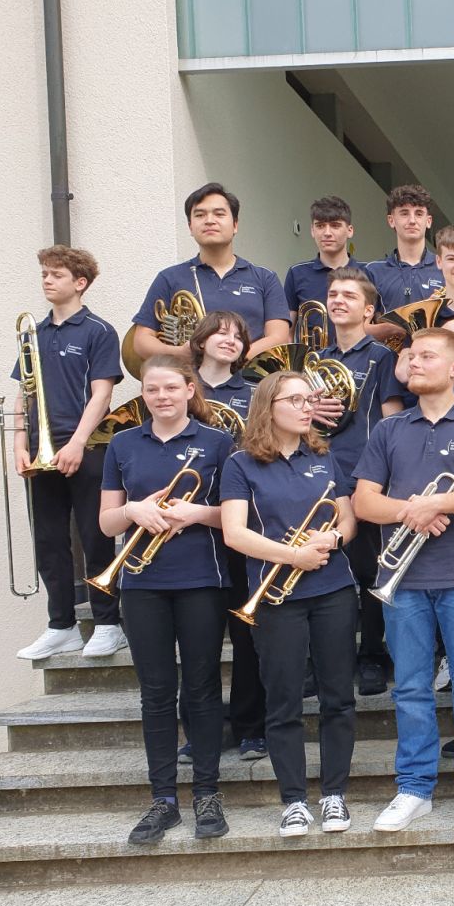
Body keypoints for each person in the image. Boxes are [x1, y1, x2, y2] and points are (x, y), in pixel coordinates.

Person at [352, 328, 454, 832]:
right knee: (412, 687)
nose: (413, 364)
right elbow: (363, 502)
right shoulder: (388, 430)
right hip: (400, 580)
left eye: (426, 356)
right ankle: (414, 787)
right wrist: (411, 511)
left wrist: (437, 502)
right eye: (410, 357)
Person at [100, 355, 235, 844]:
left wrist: (197, 512)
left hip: (201, 579)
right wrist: (135, 510)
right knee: (155, 692)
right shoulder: (122, 444)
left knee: (200, 687)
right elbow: (106, 522)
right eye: (152, 389)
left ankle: (206, 794)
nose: (162, 397)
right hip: (141, 583)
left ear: (189, 389)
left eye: (171, 388)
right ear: (144, 394)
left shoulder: (218, 443)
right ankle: (163, 799)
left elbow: (235, 516)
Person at [220, 371, 360, 837]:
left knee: (338, 697)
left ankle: (335, 794)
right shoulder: (241, 464)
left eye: (309, 399)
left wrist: (335, 536)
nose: (306, 407)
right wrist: (294, 555)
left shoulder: (324, 456)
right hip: (277, 597)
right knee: (283, 701)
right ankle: (295, 800)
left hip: (333, 591)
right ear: (268, 406)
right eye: (295, 399)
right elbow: (235, 534)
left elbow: (348, 519)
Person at [13, 245, 126, 661]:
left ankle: (108, 624)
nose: (46, 280)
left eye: (56, 274)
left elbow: (102, 393)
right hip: (43, 449)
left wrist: (78, 441)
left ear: (80, 283)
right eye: (44, 273)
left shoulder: (98, 331)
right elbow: (24, 390)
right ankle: (60, 625)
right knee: (48, 539)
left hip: (89, 446)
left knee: (95, 537)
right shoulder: (34, 333)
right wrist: (20, 444)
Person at [315, 267, 405, 695]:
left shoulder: (382, 357)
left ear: (368, 309)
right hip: (316, 477)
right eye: (333, 294)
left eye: (349, 295)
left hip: (363, 477)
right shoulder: (314, 359)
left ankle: (372, 655)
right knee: (321, 568)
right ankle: (324, 661)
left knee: (370, 571)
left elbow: (390, 419)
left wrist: (386, 478)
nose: (338, 300)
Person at [188, 311, 264, 759]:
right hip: (187, 532)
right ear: (199, 340)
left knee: (247, 634)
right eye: (220, 332)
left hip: (240, 522)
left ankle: (250, 725)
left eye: (238, 336)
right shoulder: (175, 387)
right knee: (197, 642)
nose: (229, 340)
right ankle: (200, 730)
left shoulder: (253, 393)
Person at [133, 183, 291, 365]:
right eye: (200, 215)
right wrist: (178, 353)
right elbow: (141, 340)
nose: (209, 220)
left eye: (219, 214)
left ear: (235, 225)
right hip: (189, 384)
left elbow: (279, 336)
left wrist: (233, 359)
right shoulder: (169, 278)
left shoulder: (265, 278)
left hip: (248, 382)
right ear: (190, 227)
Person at [365, 184, 445, 310]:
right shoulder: (373, 271)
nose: (412, 220)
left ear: (428, 221)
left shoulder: (445, 268)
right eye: (404, 213)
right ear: (391, 220)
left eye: (419, 214)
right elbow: (364, 323)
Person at [283, 196, 363, 313]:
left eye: (335, 226)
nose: (327, 233)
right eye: (320, 226)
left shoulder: (369, 272)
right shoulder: (297, 273)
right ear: (312, 230)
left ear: (349, 231)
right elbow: (288, 330)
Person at [190, 311, 254, 419]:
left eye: (238, 337)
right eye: (222, 333)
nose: (231, 341)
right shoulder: (181, 383)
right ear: (202, 341)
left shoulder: (253, 393)